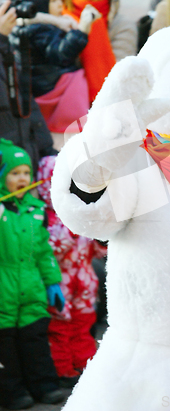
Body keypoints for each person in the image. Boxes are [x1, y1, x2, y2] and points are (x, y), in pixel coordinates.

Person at [0, 139, 64, 410]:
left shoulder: (34, 211)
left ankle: (45, 386)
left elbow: (42, 251)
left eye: (26, 172)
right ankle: (13, 393)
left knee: (35, 339)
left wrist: (52, 282)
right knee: (6, 348)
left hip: (31, 288)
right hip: (3, 291)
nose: (22, 178)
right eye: (15, 173)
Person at [4, 0, 98, 149]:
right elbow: (61, 54)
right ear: (38, 3)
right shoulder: (38, 30)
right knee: (68, 139)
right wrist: (81, 32)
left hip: (46, 85)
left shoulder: (34, 25)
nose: (59, 5)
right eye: (53, 0)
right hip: (56, 92)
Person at [37, 155, 107, 388]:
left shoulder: (81, 212)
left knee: (84, 325)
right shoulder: (44, 219)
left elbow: (94, 250)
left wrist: (101, 241)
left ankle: (86, 365)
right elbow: (51, 249)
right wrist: (71, 229)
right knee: (59, 329)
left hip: (85, 283)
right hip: (61, 284)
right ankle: (63, 370)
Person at [55, 0, 138, 103]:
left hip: (113, 106)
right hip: (69, 110)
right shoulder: (58, 25)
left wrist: (96, 29)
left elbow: (121, 76)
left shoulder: (122, 26)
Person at [0, 0, 57, 169]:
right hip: (7, 165)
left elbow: (26, 103)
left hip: (24, 160)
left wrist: (47, 151)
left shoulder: (6, 49)